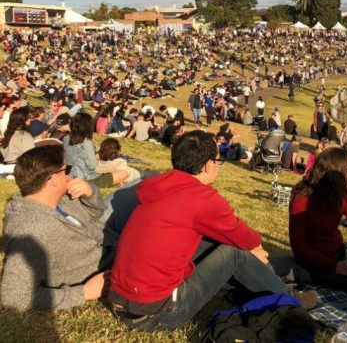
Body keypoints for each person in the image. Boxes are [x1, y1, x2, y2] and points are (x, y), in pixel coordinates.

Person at [109, 130, 317, 331]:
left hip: (121, 302)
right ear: (208, 165)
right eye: (219, 161)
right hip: (156, 312)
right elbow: (246, 238)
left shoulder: (158, 187)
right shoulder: (201, 198)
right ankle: (289, 297)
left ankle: (255, 286)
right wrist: (252, 248)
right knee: (234, 253)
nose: (219, 166)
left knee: (218, 242)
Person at [0, 145, 110, 310]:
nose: (69, 175)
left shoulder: (55, 199)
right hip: (115, 261)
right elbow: (14, 297)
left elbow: (93, 215)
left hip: (113, 238)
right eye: (66, 170)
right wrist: (84, 292)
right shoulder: (31, 231)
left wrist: (90, 193)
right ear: (50, 178)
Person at [289, 147, 347, 293]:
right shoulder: (302, 197)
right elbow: (298, 246)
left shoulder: (344, 194)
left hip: (337, 252)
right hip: (313, 260)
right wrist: (334, 266)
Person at [64, 113, 128, 189]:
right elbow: (92, 166)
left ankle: (118, 183)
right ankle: (118, 183)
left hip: (70, 175)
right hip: (87, 179)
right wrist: (96, 158)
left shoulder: (66, 138)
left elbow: (69, 160)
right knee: (124, 173)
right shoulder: (86, 142)